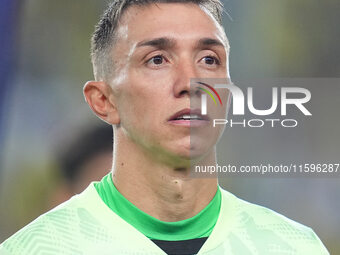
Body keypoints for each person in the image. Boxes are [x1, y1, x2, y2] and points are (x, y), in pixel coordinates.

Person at [0, 0, 329, 254]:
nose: (191, 82)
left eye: (209, 60)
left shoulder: (294, 246)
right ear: (104, 100)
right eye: (157, 59)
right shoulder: (39, 248)